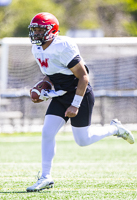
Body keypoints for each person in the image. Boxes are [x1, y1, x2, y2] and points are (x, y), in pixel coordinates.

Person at [26, 12, 135, 192]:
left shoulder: (63, 45)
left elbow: (83, 77)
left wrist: (75, 104)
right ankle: (46, 177)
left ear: (51, 31)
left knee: (83, 140)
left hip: (80, 93)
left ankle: (115, 128)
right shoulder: (36, 48)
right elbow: (52, 73)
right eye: (34, 29)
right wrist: (44, 87)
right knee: (47, 132)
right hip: (60, 95)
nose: (36, 33)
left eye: (40, 29)